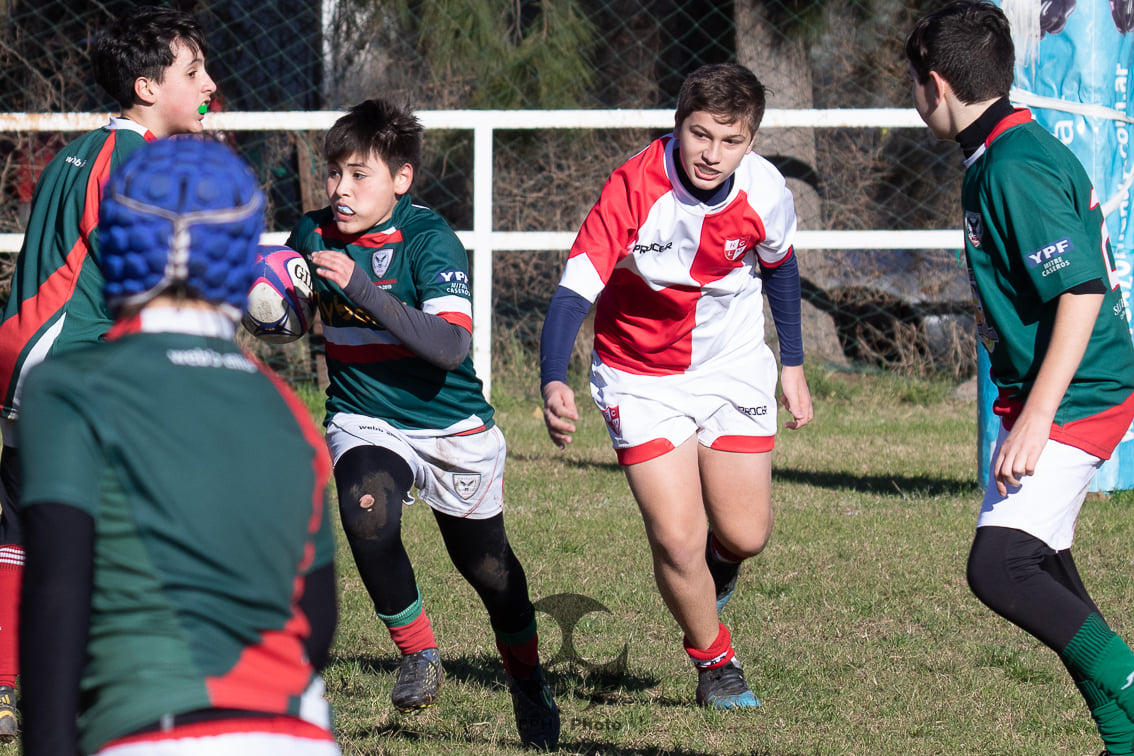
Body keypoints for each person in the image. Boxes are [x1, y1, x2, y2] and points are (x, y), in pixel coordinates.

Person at [16, 138, 339, 756]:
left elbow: (58, 593)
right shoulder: (288, 410)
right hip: (297, 733)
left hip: (152, 730)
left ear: (116, 247)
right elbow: (316, 620)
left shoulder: (69, 389)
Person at [287, 98, 560, 751]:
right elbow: (295, 319)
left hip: (450, 424)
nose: (341, 190)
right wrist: (272, 308)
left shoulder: (429, 239)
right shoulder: (312, 232)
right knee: (366, 509)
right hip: (363, 415)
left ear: (401, 179)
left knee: (490, 571)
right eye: (334, 174)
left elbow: (448, 348)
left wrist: (365, 291)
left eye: (360, 175)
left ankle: (527, 682)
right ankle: (418, 652)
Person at [540, 62, 813, 710]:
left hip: (732, 366)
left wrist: (794, 363)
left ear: (751, 141)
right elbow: (576, 287)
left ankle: (716, 571)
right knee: (676, 536)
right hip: (639, 378)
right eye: (700, 135)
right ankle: (715, 662)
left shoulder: (766, 191)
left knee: (744, 536)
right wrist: (553, 378)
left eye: (731, 140)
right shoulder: (633, 188)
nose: (713, 155)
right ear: (677, 127)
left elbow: (781, 269)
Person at [906, 3, 1134, 754]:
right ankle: (1122, 737)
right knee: (1047, 572)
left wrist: (1037, 415)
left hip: (1078, 395)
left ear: (935, 85)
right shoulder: (998, 152)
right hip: (1050, 392)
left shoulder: (1014, 165)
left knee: (1000, 568)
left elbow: (1081, 289)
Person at [0, 7, 217, 739]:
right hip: (81, 367)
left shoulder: (80, 152)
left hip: (22, 362)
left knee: (20, 529)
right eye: (194, 74)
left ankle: (5, 688)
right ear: (146, 86)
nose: (210, 85)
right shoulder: (139, 163)